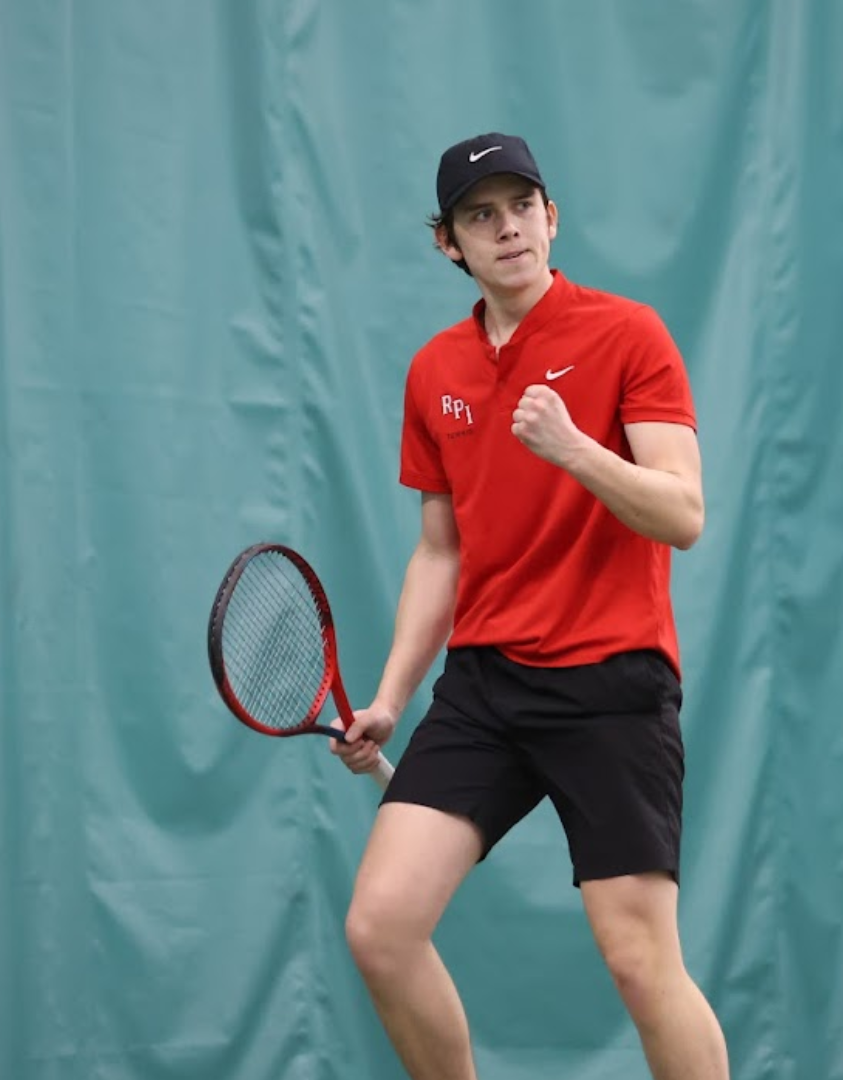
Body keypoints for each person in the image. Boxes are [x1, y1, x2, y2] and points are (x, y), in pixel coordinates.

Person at [327, 132, 730, 1080]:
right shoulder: (435, 371)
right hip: (484, 690)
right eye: (480, 215)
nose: (506, 228)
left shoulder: (630, 335)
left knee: (641, 964)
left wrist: (577, 450)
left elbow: (684, 514)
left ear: (552, 219)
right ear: (448, 245)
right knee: (380, 929)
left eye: (521, 207)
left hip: (614, 685)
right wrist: (391, 695)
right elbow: (442, 551)